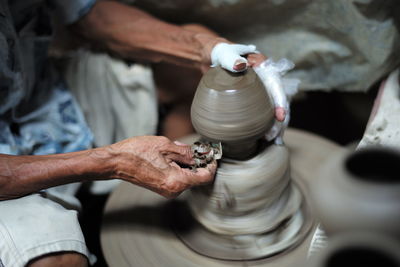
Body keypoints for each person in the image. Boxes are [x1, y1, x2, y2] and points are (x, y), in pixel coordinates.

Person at [0, 0, 267, 266]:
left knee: (206, 71)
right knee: (56, 262)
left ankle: (182, 194)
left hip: (43, 103)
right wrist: (114, 162)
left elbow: (91, 15)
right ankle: (168, 215)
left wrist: (206, 47)